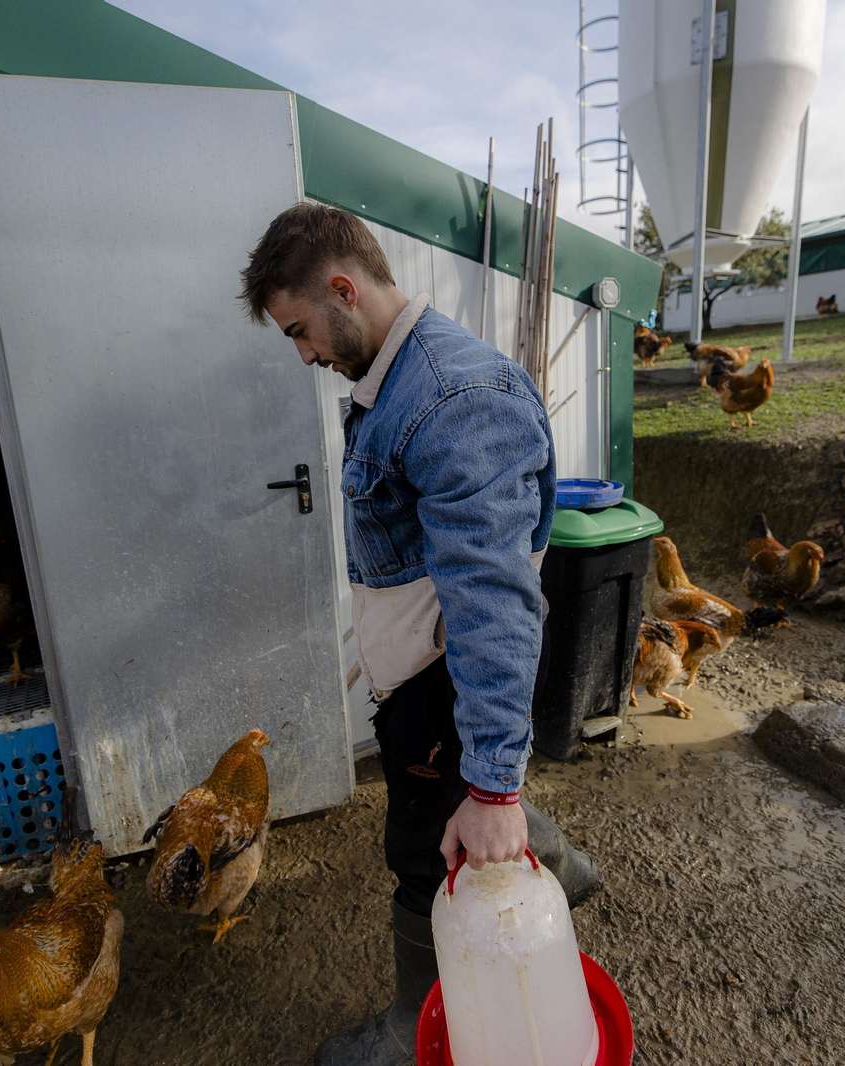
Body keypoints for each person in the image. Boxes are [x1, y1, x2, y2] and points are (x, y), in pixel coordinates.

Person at [240, 203, 601, 1066]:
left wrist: (494, 791)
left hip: (451, 674)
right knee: (450, 814)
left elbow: (495, 604)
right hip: (423, 670)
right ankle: (563, 865)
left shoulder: (453, 397)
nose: (305, 355)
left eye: (300, 331)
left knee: (418, 849)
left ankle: (410, 1032)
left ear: (342, 289)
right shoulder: (395, 383)